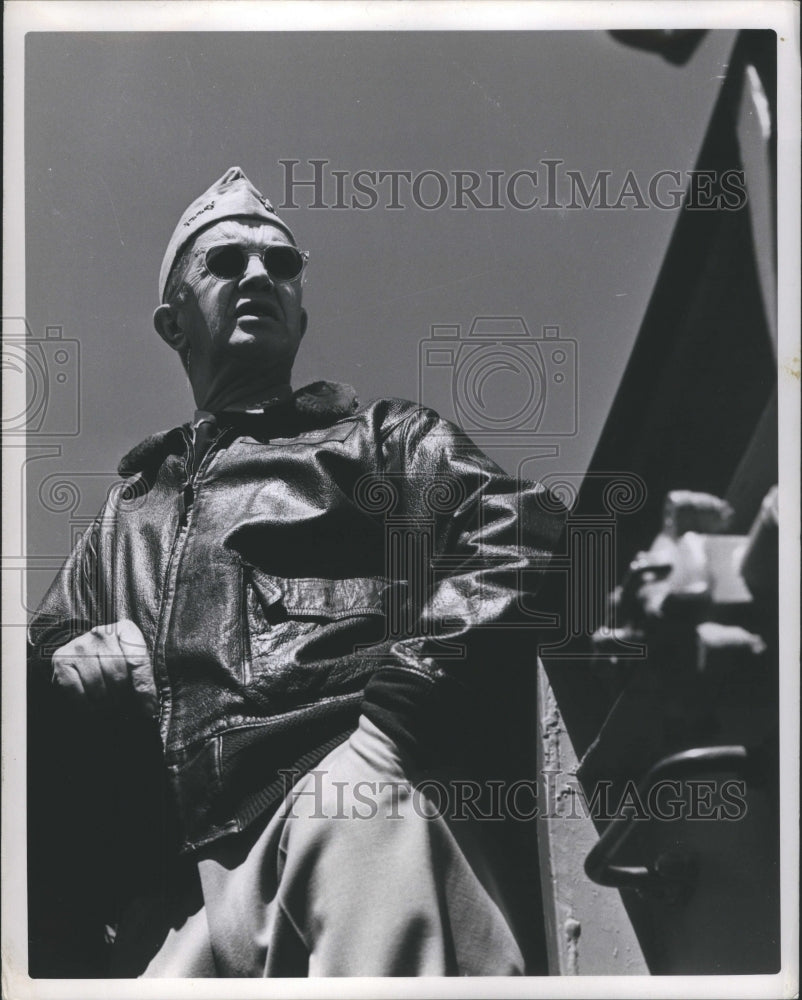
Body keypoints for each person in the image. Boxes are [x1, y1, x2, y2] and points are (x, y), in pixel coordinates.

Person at [27, 167, 566, 977]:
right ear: (173, 323)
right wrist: (69, 652)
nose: (258, 276)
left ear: (300, 311)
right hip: (181, 907)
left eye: (281, 265)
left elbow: (524, 528)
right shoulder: (122, 518)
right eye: (227, 261)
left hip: (352, 805)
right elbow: (41, 649)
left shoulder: (379, 442)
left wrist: (400, 716)